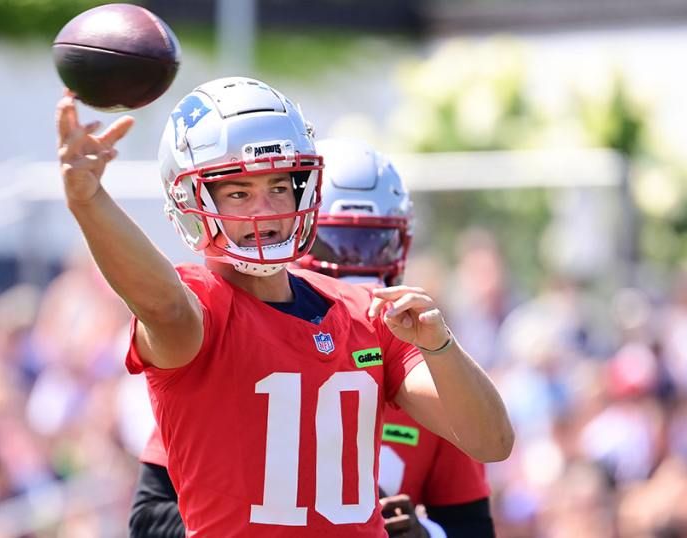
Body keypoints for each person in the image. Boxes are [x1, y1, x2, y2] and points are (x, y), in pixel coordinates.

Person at [56, 76, 513, 536]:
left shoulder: (364, 311)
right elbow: (167, 308)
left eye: (279, 186)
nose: (266, 211)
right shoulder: (201, 308)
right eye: (239, 193)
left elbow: (491, 441)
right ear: (191, 201)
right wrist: (90, 202)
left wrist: (440, 346)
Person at [129, 139, 496, 537]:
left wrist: (428, 535)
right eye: (337, 244)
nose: (358, 263)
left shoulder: (428, 367)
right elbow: (150, 518)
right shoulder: (226, 343)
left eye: (377, 243)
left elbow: (473, 519)